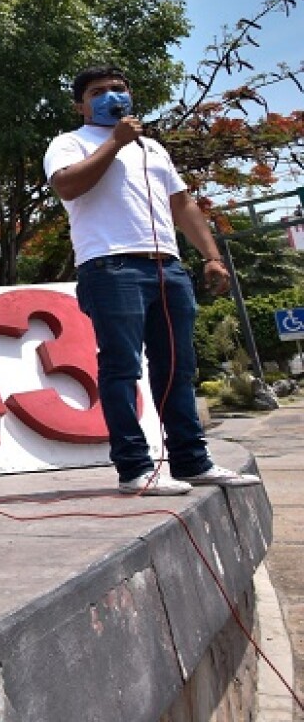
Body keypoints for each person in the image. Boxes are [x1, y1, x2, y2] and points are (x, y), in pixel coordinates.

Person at [44, 66, 262, 495]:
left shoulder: (154, 150)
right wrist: (114, 143)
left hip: (168, 267)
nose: (111, 97)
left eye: (118, 89)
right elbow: (68, 187)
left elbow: (182, 206)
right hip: (111, 267)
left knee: (179, 367)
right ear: (80, 105)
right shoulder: (70, 143)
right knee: (122, 368)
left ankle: (191, 461)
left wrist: (212, 257)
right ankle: (134, 468)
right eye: (98, 92)